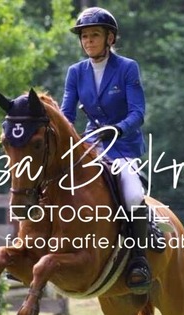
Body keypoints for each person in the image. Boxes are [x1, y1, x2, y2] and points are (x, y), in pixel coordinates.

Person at [60, 7, 151, 295]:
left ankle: (139, 260)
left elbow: (138, 113)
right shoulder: (76, 72)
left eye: (94, 35)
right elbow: (66, 115)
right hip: (90, 144)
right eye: (84, 36)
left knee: (133, 195)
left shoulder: (127, 68)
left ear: (109, 38)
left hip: (123, 145)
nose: (88, 41)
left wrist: (118, 129)